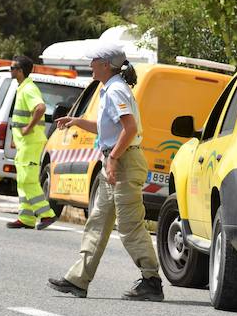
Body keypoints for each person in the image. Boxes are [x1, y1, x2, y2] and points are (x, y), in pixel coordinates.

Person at [47, 43, 164, 301]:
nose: (90, 66)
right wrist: (77, 121)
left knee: (129, 224)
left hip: (122, 162)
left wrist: (112, 159)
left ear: (105, 65)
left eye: (94, 62)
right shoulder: (109, 89)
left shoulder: (116, 91)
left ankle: (151, 280)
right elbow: (109, 129)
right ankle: (78, 280)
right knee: (97, 222)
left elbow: (129, 129)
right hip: (116, 161)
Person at [6, 56, 56, 230]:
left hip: (31, 142)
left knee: (28, 180)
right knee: (22, 180)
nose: (10, 70)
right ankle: (26, 217)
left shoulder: (28, 88)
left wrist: (28, 127)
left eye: (12, 68)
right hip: (24, 143)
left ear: (20, 71)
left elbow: (40, 108)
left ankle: (46, 214)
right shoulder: (23, 88)